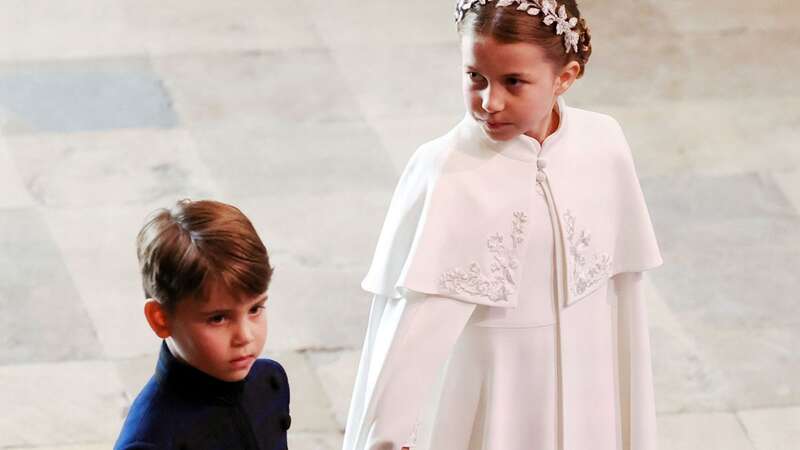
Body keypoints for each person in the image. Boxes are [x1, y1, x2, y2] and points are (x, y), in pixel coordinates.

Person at [342, 1, 662, 449]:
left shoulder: (603, 143)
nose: (490, 102)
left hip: (591, 395)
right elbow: (412, 332)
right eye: (476, 78)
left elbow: (623, 298)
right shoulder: (446, 170)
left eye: (514, 82)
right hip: (499, 403)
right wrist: (387, 439)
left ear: (565, 77)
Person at [114, 199, 291, 450]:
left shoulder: (268, 381)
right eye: (218, 318)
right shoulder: (149, 440)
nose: (245, 336)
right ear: (160, 318)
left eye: (255, 309)